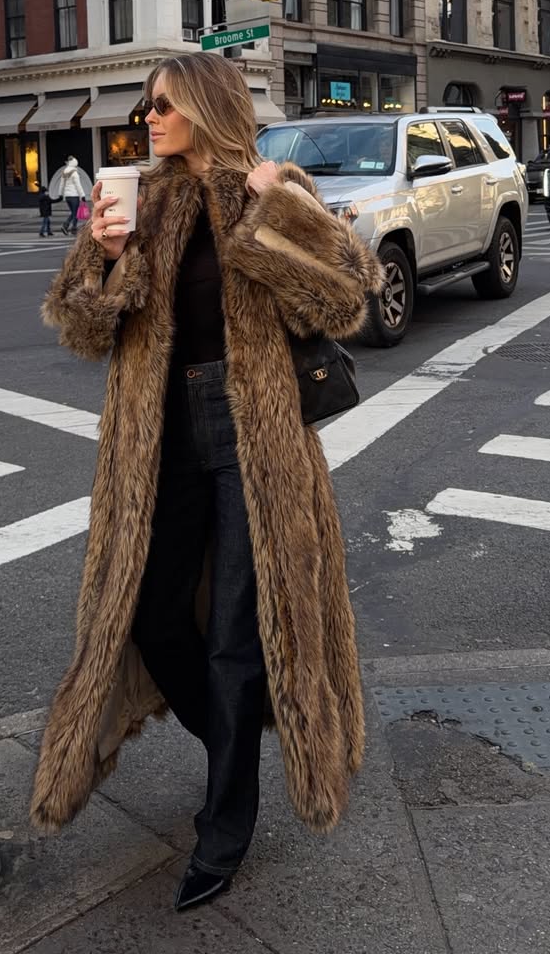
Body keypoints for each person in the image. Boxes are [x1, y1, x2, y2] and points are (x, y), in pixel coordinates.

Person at [31, 51, 381, 912]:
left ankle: (227, 819)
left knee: (234, 637)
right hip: (158, 439)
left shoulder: (268, 185)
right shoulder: (134, 200)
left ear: (206, 107)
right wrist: (107, 262)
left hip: (255, 434)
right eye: (146, 106)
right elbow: (80, 327)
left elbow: (344, 301)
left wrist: (280, 212)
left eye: (163, 105)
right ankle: (235, 745)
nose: (148, 118)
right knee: (152, 617)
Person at [58, 155, 87, 235]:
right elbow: (78, 185)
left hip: (67, 196)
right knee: (75, 213)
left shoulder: (64, 172)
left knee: (74, 212)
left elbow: (61, 184)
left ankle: (72, 228)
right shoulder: (74, 173)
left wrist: (60, 194)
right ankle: (68, 226)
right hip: (74, 195)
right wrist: (82, 195)